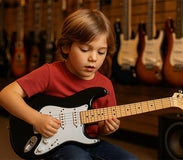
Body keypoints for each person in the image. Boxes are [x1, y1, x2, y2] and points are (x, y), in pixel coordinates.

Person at [0, 9, 138, 160]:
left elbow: (98, 129)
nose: (93, 58)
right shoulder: (50, 73)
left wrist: (106, 128)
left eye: (101, 52)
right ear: (66, 46)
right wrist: (36, 119)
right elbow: (6, 95)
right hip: (55, 144)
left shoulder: (105, 86)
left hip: (90, 142)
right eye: (85, 49)